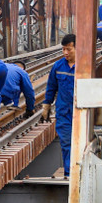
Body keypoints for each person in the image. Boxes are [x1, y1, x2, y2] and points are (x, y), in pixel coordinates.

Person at [43, 33, 76, 178]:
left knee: (81, 143)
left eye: (69, 49)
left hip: (81, 111)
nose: (65, 53)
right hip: (63, 112)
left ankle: (79, 171)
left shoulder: (85, 65)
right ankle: (70, 174)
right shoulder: (58, 66)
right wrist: (46, 105)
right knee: (66, 142)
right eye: (63, 49)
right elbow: (51, 87)